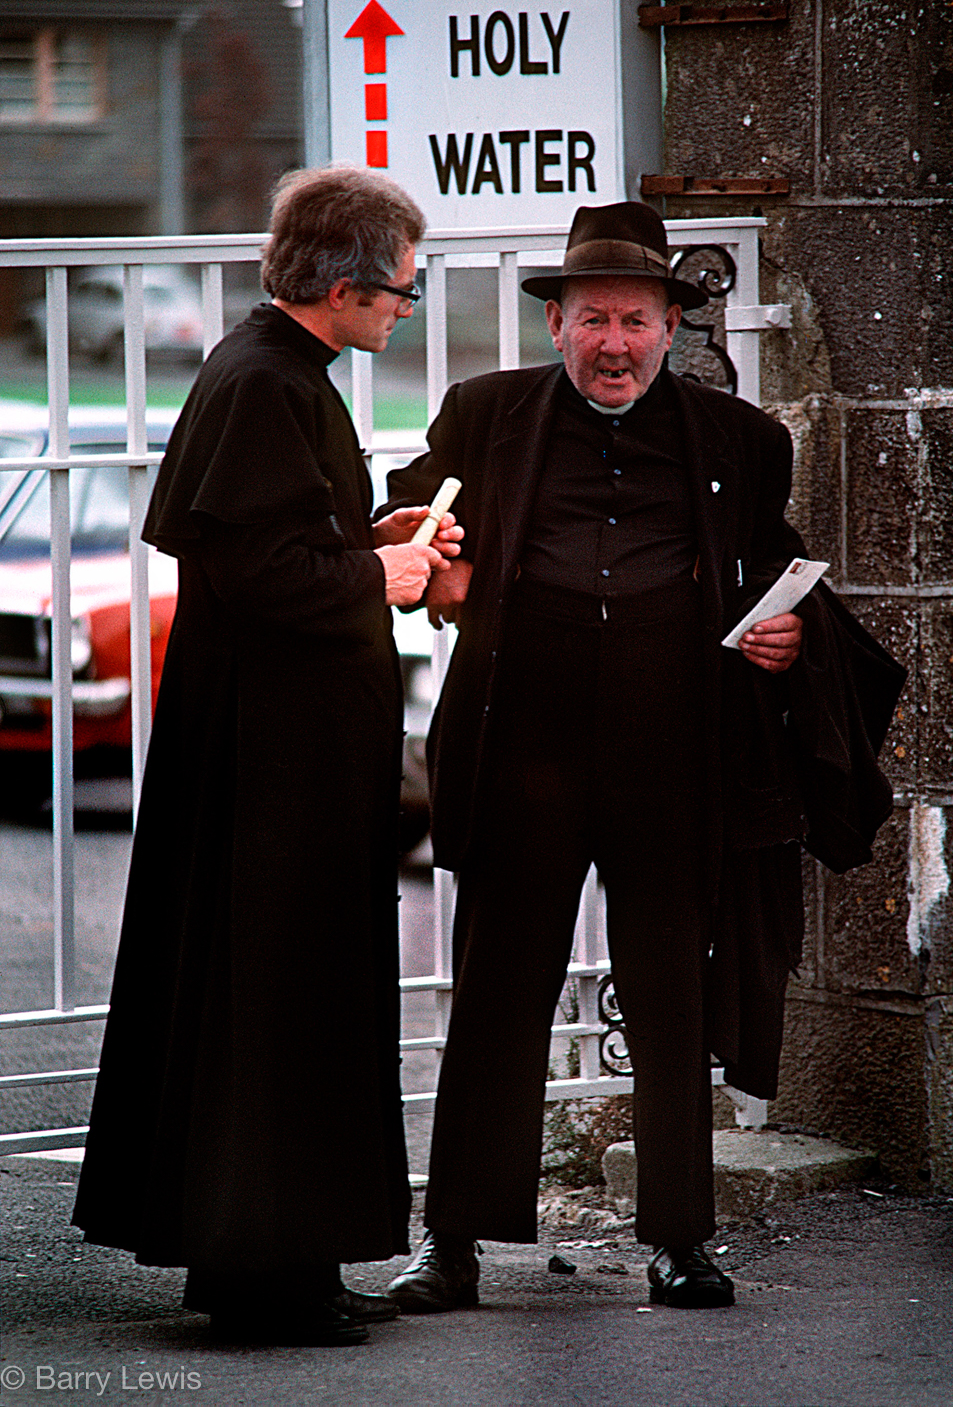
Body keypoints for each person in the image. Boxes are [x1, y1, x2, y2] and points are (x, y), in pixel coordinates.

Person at [380, 201, 905, 1312]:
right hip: (520, 743)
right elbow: (409, 513)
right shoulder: (486, 413)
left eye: (635, 319)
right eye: (591, 320)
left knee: (672, 996)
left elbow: (778, 575)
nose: (613, 343)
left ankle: (678, 1238)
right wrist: (427, 551)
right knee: (495, 994)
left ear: (673, 326)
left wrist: (788, 638)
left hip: (674, 754)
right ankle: (455, 1244)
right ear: (558, 325)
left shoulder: (744, 444)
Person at [72, 166, 462, 1345]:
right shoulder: (264, 381)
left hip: (279, 747)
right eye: (399, 290)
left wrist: (367, 535)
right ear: (342, 287)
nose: (404, 308)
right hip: (272, 758)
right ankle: (265, 1276)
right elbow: (249, 575)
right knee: (276, 1000)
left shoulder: (278, 372)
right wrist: (378, 575)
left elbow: (272, 540)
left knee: (290, 999)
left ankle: (285, 1257)